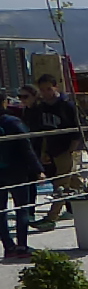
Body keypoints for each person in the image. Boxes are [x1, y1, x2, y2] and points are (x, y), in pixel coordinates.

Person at [28, 74, 81, 224]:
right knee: (73, 181)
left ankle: (51, 218)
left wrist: (71, 150)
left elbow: (77, 129)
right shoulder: (42, 107)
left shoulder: (66, 105)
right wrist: (44, 151)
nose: (46, 93)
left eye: (48, 89)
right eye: (42, 90)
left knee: (61, 184)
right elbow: (43, 131)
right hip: (51, 148)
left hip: (66, 148)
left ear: (55, 87)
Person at [0, 101, 42, 259]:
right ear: (4, 102)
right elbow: (26, 146)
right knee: (22, 208)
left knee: (1, 211)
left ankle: (8, 246)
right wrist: (38, 169)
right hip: (16, 170)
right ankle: (22, 246)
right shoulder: (13, 122)